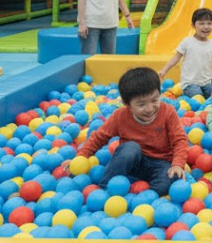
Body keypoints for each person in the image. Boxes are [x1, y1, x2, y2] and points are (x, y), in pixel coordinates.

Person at [75, 67, 187, 196]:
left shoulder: (168, 112)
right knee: (130, 148)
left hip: (161, 163)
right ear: (126, 103)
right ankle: (106, 189)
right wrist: (81, 157)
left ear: (160, 93)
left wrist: (177, 164)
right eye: (141, 105)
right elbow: (99, 137)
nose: (150, 108)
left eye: (154, 100)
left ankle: (148, 198)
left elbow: (179, 140)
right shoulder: (120, 116)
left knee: (168, 181)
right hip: (133, 162)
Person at [157, 8, 212, 98]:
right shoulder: (187, 42)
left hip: (207, 82)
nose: (206, 27)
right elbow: (176, 58)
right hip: (189, 83)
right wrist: (164, 70)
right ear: (193, 25)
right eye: (201, 23)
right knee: (197, 97)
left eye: (209, 23)